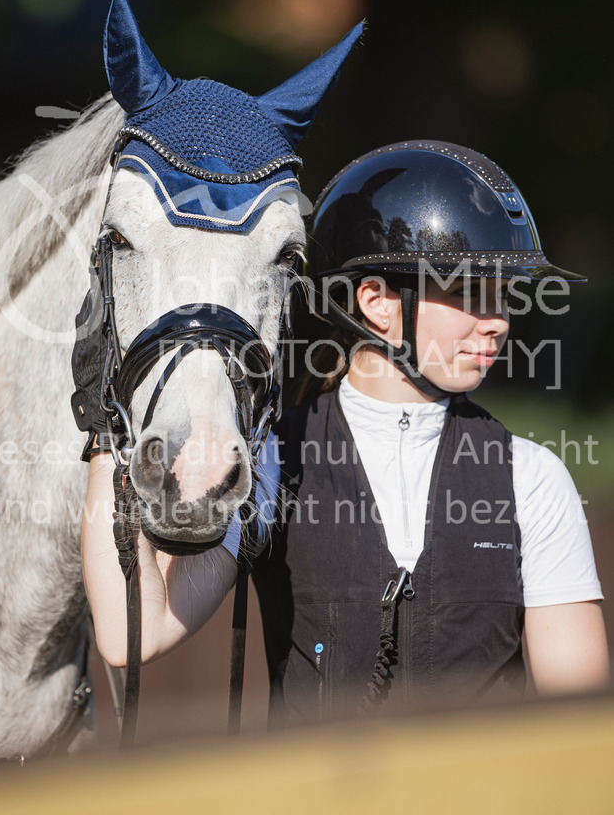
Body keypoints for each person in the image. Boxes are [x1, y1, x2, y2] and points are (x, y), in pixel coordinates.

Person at [80, 140, 609, 725]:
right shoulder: (270, 462)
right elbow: (133, 635)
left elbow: (579, 724)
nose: (497, 324)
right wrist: (110, 433)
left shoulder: (532, 477)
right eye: (467, 294)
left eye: (504, 299)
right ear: (377, 303)